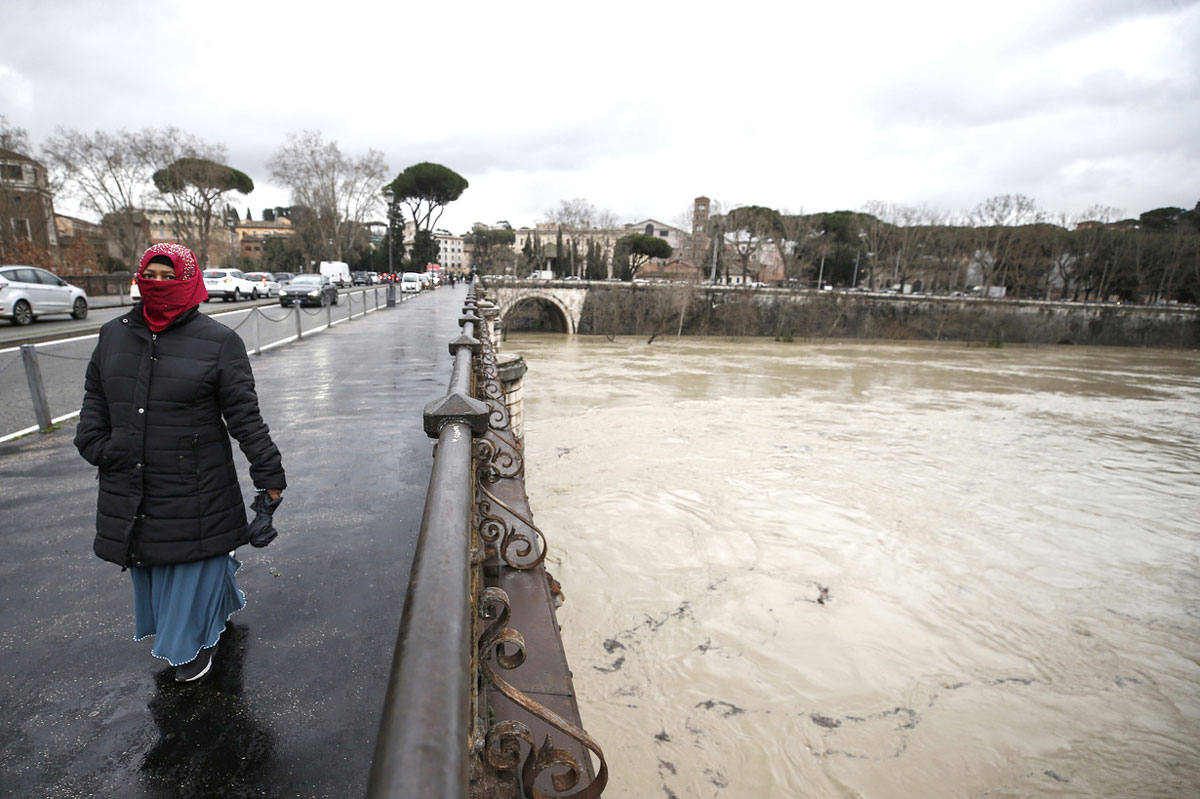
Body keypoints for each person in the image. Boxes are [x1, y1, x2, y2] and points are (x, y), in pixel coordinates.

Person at [75, 243, 285, 682]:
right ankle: (216, 610)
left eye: (169, 276)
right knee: (155, 560)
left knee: (193, 561)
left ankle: (187, 646)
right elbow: (96, 395)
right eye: (150, 273)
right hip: (131, 477)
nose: (158, 283)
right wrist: (95, 444)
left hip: (197, 481)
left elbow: (244, 416)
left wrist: (269, 475)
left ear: (188, 280)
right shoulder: (113, 334)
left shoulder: (218, 342)